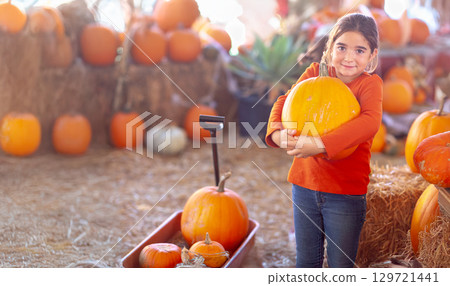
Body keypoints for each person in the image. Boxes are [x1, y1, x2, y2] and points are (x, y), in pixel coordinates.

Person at [265, 13, 382, 268]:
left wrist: (320, 144)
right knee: (307, 262)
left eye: (359, 50)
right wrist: (276, 132)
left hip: (345, 192)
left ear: (372, 55)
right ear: (330, 48)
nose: (349, 57)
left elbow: (370, 122)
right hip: (304, 185)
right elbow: (285, 100)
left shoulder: (369, 85)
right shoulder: (315, 72)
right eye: (341, 47)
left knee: (340, 266)